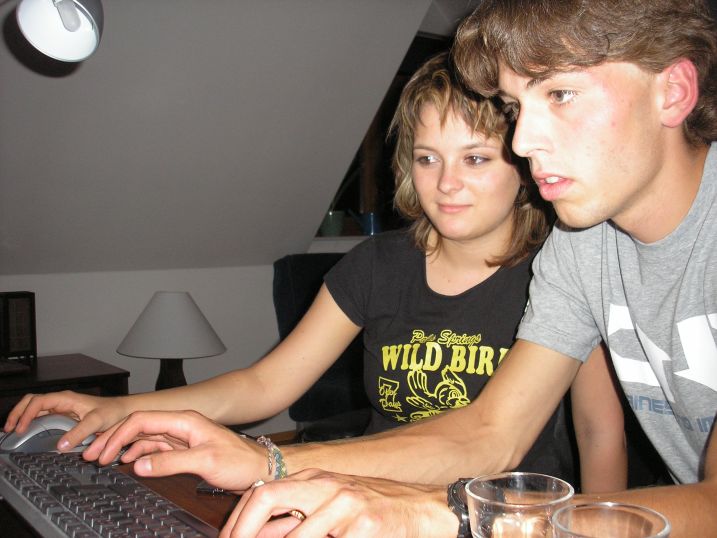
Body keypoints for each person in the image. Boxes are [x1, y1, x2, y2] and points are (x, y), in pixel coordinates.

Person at [4, 53, 625, 495]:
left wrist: (598, 525)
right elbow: (264, 384)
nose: (446, 184)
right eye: (427, 158)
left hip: (510, 517)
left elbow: (599, 431)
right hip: (370, 498)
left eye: (476, 159)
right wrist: (118, 409)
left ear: (523, 161)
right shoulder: (376, 265)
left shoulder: (565, 271)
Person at [215, 0, 717, 536]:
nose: (521, 141)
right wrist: (271, 462)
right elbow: (492, 433)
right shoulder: (582, 246)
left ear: (673, 90)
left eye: (560, 94)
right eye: (515, 106)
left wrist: (444, 514)